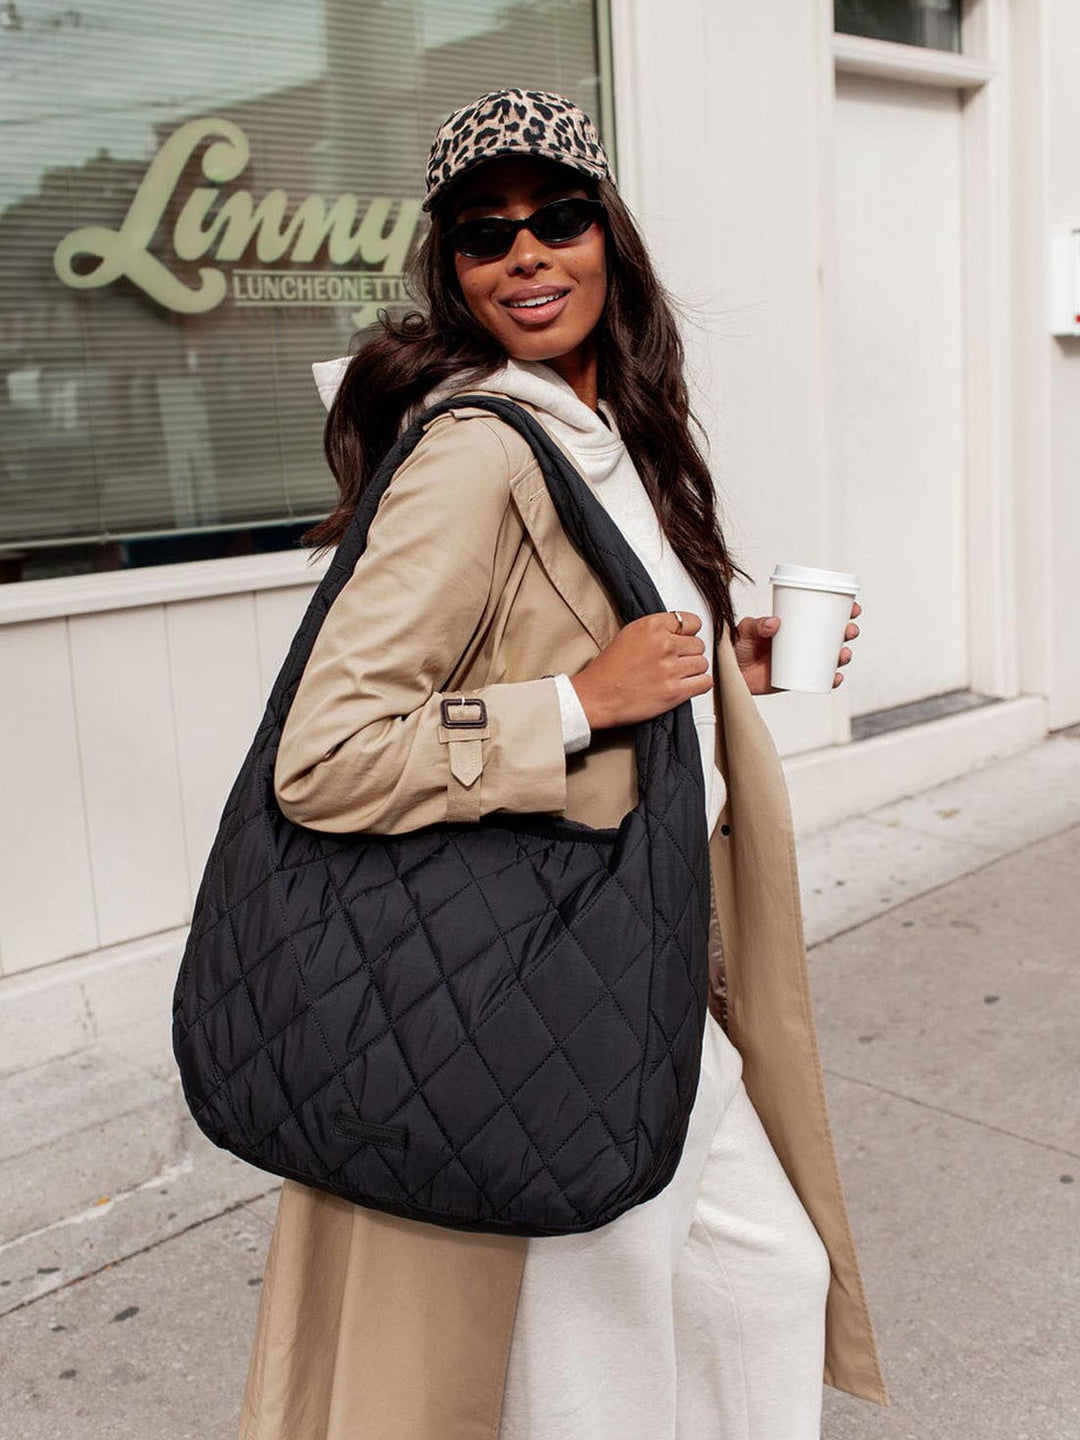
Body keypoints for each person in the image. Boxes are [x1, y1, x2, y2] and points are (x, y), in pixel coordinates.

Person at [237, 88, 886, 1440]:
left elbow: (601, 643)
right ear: (454, 271)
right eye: (487, 236)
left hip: (645, 951)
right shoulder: (477, 451)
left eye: (559, 218)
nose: (527, 255)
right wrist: (582, 703)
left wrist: (727, 660)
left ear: (611, 235)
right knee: (602, 1346)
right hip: (559, 962)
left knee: (760, 1279)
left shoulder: (616, 433)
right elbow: (329, 755)